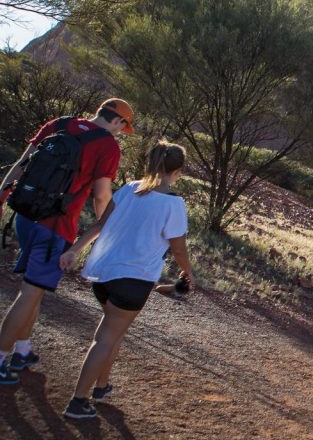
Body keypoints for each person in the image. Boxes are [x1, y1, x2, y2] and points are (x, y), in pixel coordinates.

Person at [0, 99, 133, 385]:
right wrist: (102, 227)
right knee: (29, 294)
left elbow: (22, 163)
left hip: (25, 216)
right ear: (117, 121)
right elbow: (101, 196)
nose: (122, 131)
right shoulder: (107, 145)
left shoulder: (59, 124)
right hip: (56, 227)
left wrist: (1, 194)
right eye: (124, 126)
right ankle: (1, 357)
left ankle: (22, 350)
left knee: (32, 290)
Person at [58, 140, 193, 419]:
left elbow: (99, 225)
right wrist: (187, 272)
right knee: (105, 338)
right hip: (133, 280)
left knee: (112, 332)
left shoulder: (130, 188)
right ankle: (78, 401)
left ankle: (102, 386)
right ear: (178, 171)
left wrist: (74, 250)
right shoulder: (174, 204)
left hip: (103, 275)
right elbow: (178, 248)